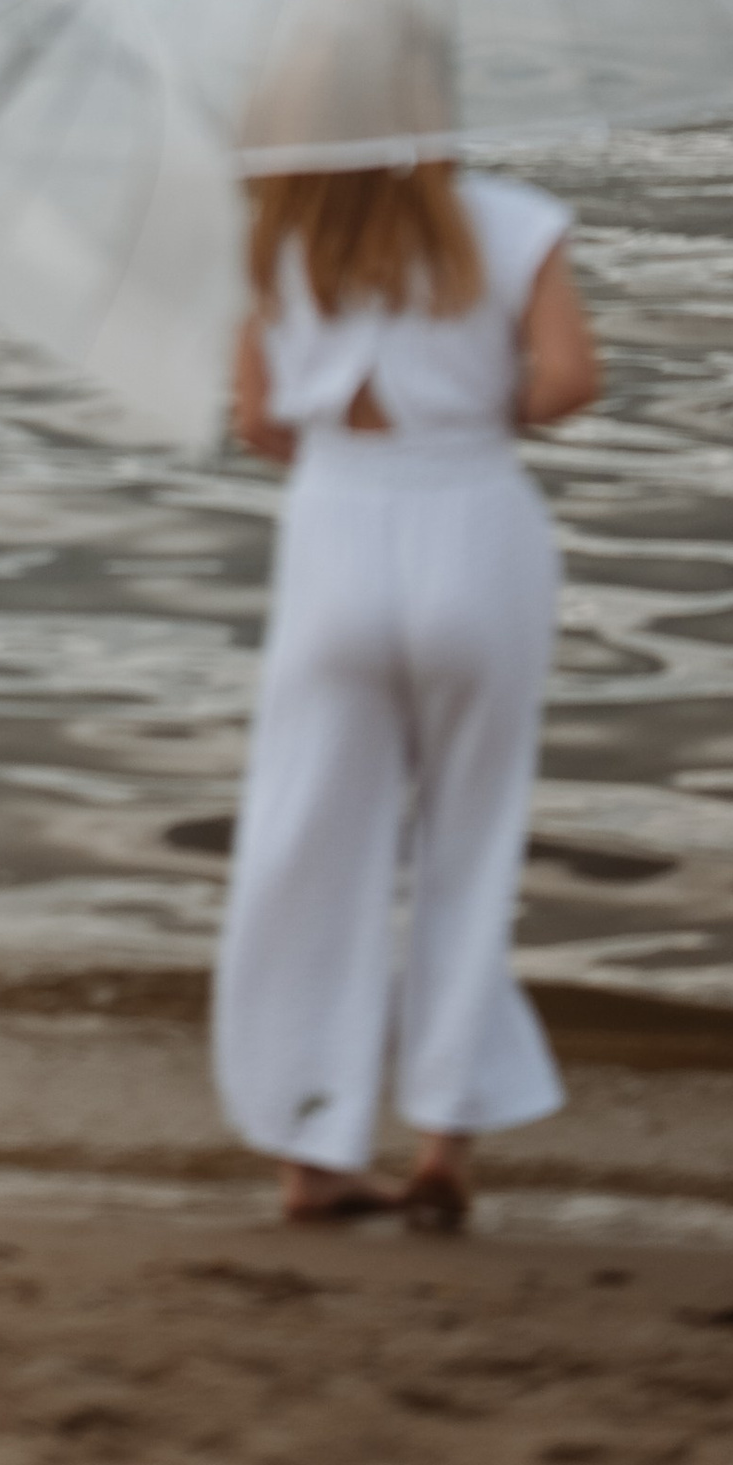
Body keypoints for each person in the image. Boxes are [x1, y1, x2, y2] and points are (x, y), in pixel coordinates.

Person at [213, 154, 600, 1229]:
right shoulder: (515, 221)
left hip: (336, 528)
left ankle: (310, 1154)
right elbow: (572, 378)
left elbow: (255, 420)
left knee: (310, 851)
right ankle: (443, 1144)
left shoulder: (280, 233)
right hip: (475, 523)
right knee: (466, 850)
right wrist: (469, 419)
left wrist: (355, 449)